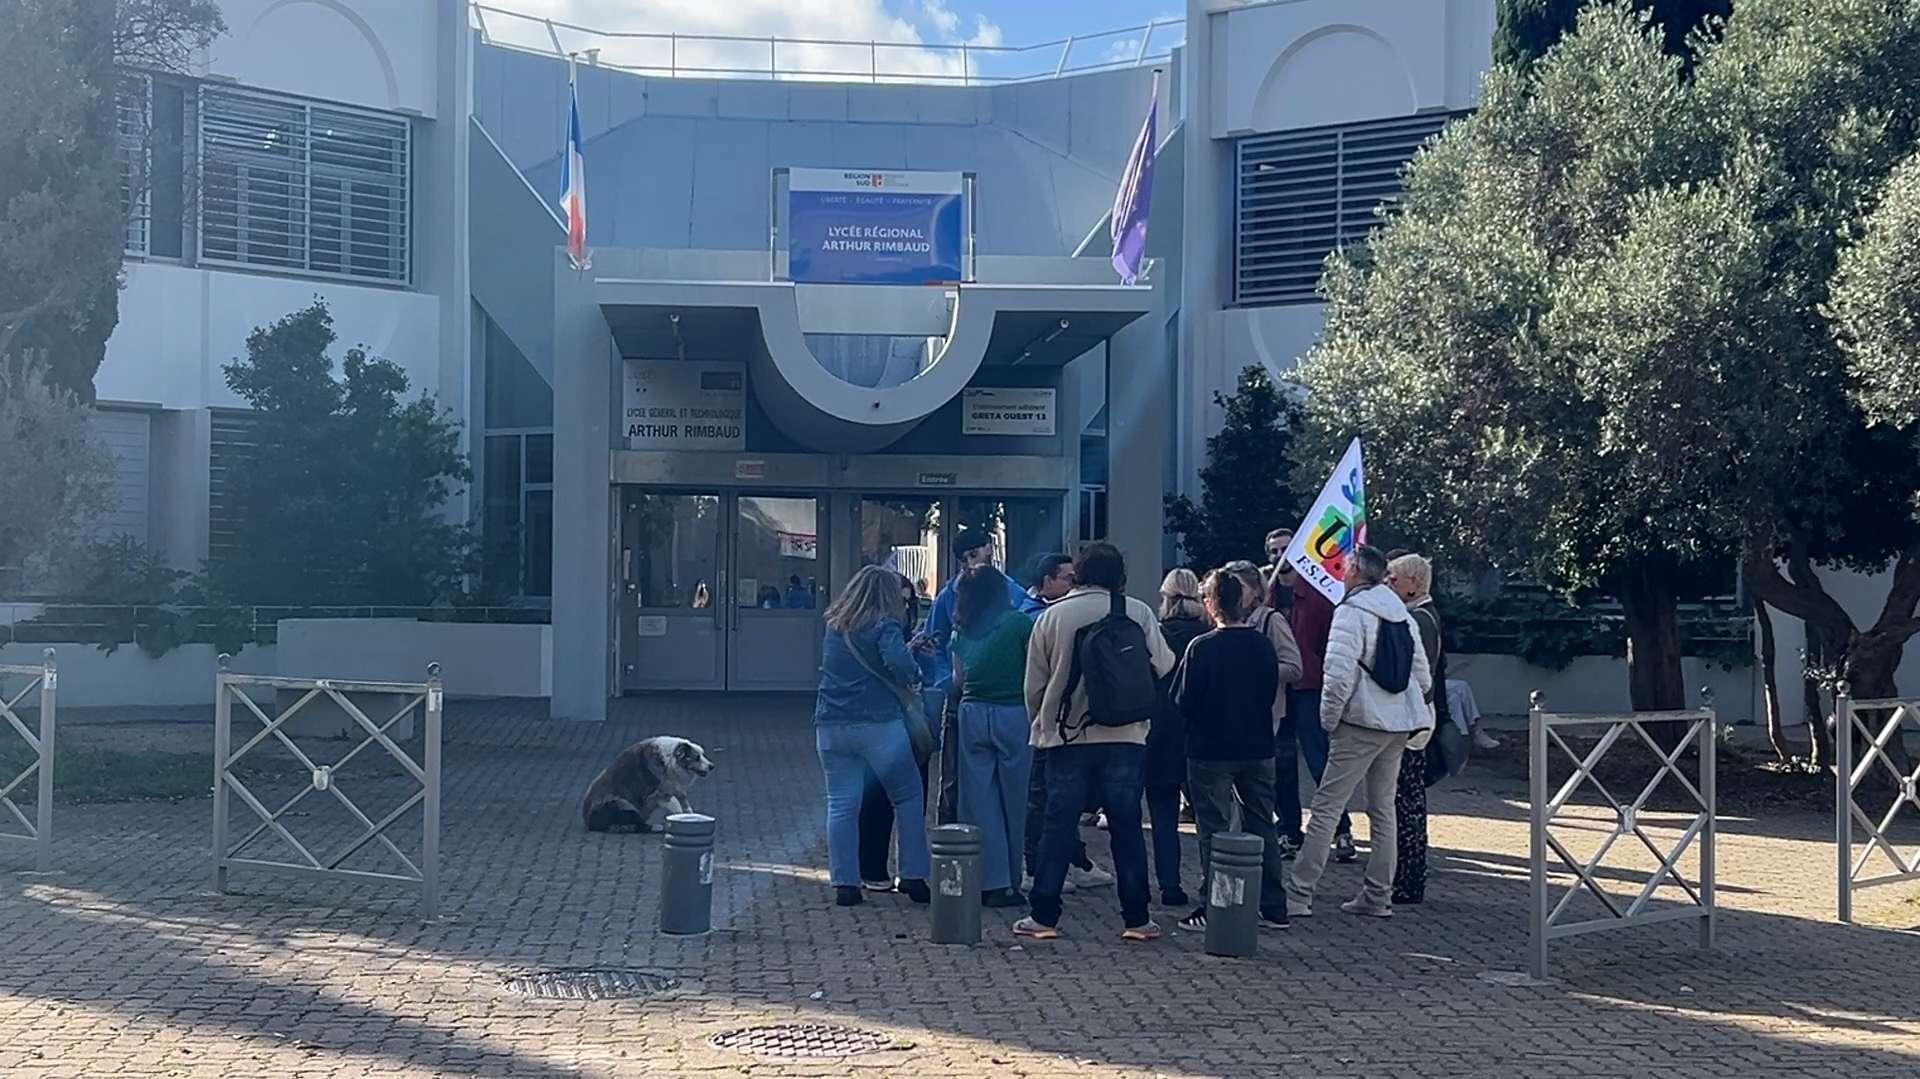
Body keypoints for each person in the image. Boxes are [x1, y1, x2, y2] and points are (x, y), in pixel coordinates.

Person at [1014, 542, 1177, 942]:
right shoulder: (1136, 612)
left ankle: (1044, 916)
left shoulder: (1053, 616)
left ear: (1080, 573)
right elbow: (1165, 663)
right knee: (1125, 826)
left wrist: (1043, 721)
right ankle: (1137, 919)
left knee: (1058, 825)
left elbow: (1034, 684)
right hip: (1126, 736)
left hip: (1066, 738)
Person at [1286, 546, 1434, 919]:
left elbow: (1336, 677)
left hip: (1360, 721)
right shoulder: (1403, 614)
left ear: (1354, 572)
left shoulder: (1351, 613)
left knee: (1327, 807)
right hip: (1398, 723)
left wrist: (1329, 720)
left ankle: (1298, 894)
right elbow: (1422, 676)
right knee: (1383, 810)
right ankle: (1377, 895)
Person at [1171, 569, 1294, 932]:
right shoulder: (1262, 645)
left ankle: (1216, 903)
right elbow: (1271, 688)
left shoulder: (1203, 647)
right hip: (1257, 745)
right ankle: (1273, 905)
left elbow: (1183, 700)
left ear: (1211, 604)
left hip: (1210, 749)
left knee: (1213, 829)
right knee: (1262, 823)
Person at [813, 566, 932, 908]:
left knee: (841, 804)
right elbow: (900, 666)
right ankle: (912, 874)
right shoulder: (885, 624)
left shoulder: (835, 626)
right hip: (878, 723)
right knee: (908, 796)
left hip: (831, 724)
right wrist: (915, 668)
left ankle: (845, 883)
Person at [950, 564, 1037, 908]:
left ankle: (988, 879)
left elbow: (958, 679)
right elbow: (1035, 667)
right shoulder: (1018, 623)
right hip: (1014, 712)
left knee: (979, 801)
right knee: (1014, 800)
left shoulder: (961, 628)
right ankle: (1011, 882)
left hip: (972, 712)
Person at [856, 574, 943, 892]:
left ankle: (893, 870)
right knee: (885, 798)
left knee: (908, 795)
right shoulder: (880, 627)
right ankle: (880, 869)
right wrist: (910, 659)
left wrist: (919, 653)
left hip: (902, 719)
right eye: (901, 599)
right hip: (885, 721)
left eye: (910, 601)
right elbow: (896, 668)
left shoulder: (881, 626)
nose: (906, 606)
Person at [1225, 561, 1304, 855]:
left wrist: (1258, 670)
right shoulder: (1226, 620)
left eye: (1239, 588)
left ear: (1256, 591)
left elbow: (1294, 667)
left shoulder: (1271, 621)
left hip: (1264, 717)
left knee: (1258, 796)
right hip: (1231, 716)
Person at [1387, 553, 1447, 904]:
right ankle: (1406, 874)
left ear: (1414, 583)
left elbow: (1416, 671)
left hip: (1412, 720)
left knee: (1407, 799)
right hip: (1414, 716)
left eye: (1395, 579)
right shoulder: (1419, 614)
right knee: (1404, 797)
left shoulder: (1419, 619)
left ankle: (1408, 878)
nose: (1389, 584)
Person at [1147, 568, 1209, 908]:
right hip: (1201, 731)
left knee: (1162, 813)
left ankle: (1169, 883)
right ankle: (1210, 879)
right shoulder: (1210, 635)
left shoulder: (1157, 635)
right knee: (1209, 814)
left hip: (1162, 732)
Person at [1288, 566, 1355, 863]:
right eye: (1274, 550)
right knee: (1280, 763)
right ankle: (1289, 830)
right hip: (1276, 691)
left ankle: (1341, 829)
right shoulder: (1264, 595)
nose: (1280, 557)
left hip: (1307, 687)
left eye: (1284, 550)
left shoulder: (1316, 597)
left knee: (1319, 759)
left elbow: (1326, 640)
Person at [1264, 529, 1296, 617]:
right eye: (1274, 551)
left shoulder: (1315, 590)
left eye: (1285, 549)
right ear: (1268, 556)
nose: (1280, 555)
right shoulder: (1262, 592)